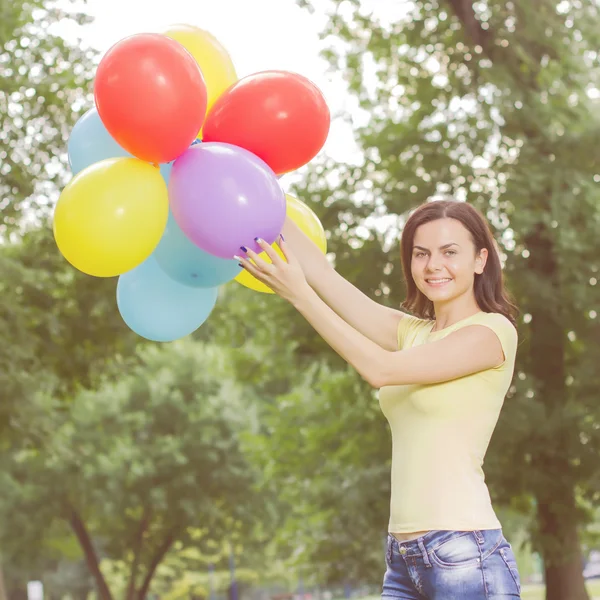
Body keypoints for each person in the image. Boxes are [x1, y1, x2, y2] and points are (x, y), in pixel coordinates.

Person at [235, 198, 521, 599]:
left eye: (449, 252)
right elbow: (321, 273)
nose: (433, 265)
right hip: (403, 557)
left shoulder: (492, 333)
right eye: (421, 254)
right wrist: (260, 186)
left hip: (464, 553)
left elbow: (381, 370)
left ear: (480, 260)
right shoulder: (412, 333)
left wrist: (300, 296)